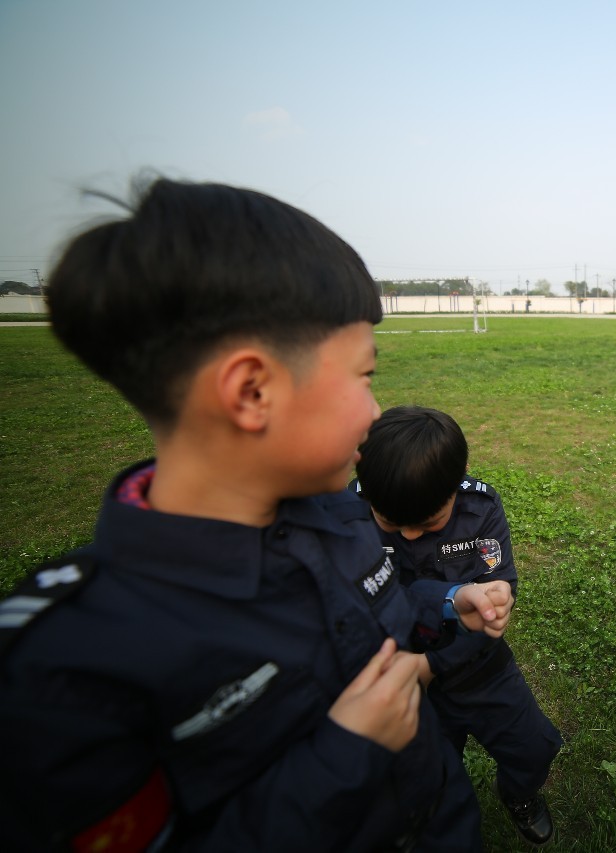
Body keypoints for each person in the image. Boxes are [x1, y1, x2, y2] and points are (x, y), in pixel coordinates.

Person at [0, 177, 514, 852]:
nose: (373, 410)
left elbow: (376, 600)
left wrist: (448, 602)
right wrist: (345, 753)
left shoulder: (340, 512)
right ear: (252, 390)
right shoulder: (65, 672)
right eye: (364, 375)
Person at [350, 405, 563, 847]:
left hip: (481, 667)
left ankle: (519, 793)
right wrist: (422, 668)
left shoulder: (479, 507)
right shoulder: (349, 516)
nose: (409, 536)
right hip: (409, 683)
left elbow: (496, 587)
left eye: (428, 522)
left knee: (535, 746)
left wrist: (497, 599)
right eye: (390, 522)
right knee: (432, 777)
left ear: (459, 477)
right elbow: (372, 605)